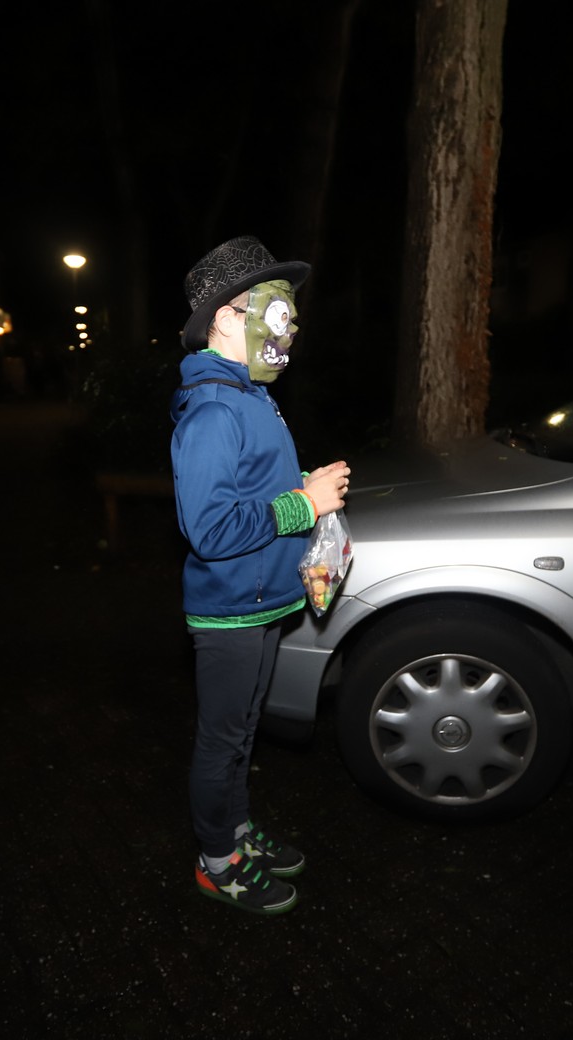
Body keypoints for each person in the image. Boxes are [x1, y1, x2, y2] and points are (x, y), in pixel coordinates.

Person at [170, 235, 351, 915]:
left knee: (243, 733)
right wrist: (304, 505)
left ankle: (237, 832)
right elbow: (210, 529)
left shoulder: (249, 396)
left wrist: (301, 484)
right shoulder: (214, 410)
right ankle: (216, 861)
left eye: (292, 314)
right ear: (225, 318)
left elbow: (250, 488)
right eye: (278, 311)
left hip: (262, 601)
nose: (291, 327)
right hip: (229, 611)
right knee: (222, 739)